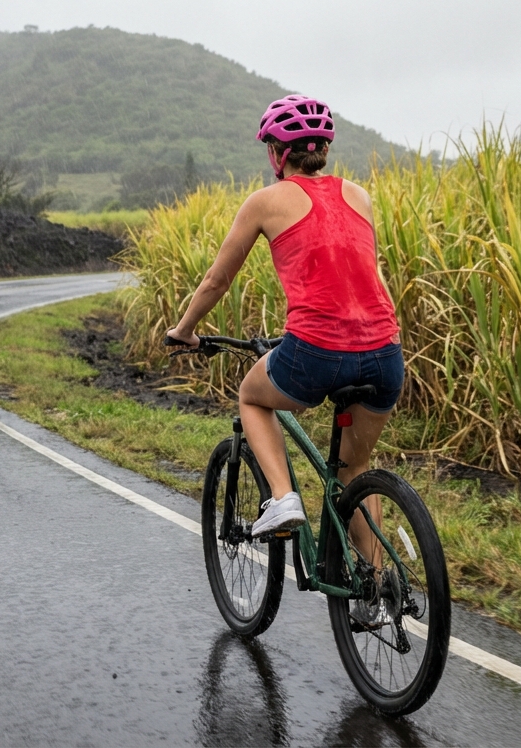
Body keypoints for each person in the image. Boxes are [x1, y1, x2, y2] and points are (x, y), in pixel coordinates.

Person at [165, 95, 403, 549]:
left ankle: (282, 498)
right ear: (323, 150)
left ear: (277, 153)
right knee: (356, 467)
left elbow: (217, 280)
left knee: (252, 398)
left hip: (317, 351)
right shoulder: (359, 195)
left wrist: (185, 330)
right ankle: (377, 590)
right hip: (385, 353)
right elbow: (373, 276)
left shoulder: (265, 201)